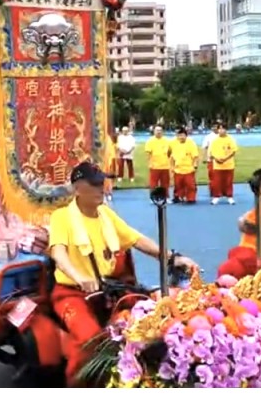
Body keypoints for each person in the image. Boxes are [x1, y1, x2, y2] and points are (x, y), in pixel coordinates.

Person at [48, 162, 197, 386]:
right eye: (95, 184)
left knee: (151, 320)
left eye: (103, 182)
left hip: (108, 289)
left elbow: (136, 239)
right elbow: (58, 252)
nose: (102, 188)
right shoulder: (62, 217)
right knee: (91, 341)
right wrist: (78, 276)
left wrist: (172, 257)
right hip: (72, 293)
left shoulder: (105, 214)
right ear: (78, 188)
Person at [208, 123, 238, 205]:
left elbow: (233, 151)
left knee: (228, 182)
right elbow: (211, 152)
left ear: (226, 130)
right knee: (217, 182)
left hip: (228, 164)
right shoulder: (214, 140)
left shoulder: (230, 139)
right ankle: (216, 197)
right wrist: (216, 158)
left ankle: (230, 197)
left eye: (223, 129)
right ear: (217, 130)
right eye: (219, 129)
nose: (221, 131)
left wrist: (225, 158)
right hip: (217, 165)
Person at [169, 127, 200, 204]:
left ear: (186, 135)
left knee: (190, 185)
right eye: (179, 135)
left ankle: (191, 198)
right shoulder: (174, 144)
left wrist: (195, 165)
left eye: (182, 135)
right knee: (178, 185)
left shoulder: (191, 144)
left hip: (188, 169)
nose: (181, 137)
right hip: (178, 169)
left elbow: (195, 156)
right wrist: (172, 167)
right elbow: (172, 156)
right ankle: (178, 197)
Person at [144, 126, 172, 195]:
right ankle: (153, 197)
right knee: (153, 183)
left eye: (160, 130)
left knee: (165, 183)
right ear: (154, 131)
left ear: (162, 132)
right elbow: (148, 153)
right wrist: (150, 163)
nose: (159, 132)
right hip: (155, 166)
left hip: (165, 166)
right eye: (157, 130)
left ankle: (166, 197)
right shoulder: (150, 141)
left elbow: (170, 151)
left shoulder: (167, 141)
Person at [201, 123, 219, 187]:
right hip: (211, 159)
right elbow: (205, 147)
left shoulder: (223, 136)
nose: (215, 128)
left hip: (222, 159)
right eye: (214, 127)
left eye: (217, 127)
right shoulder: (208, 137)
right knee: (211, 174)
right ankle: (212, 188)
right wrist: (204, 157)